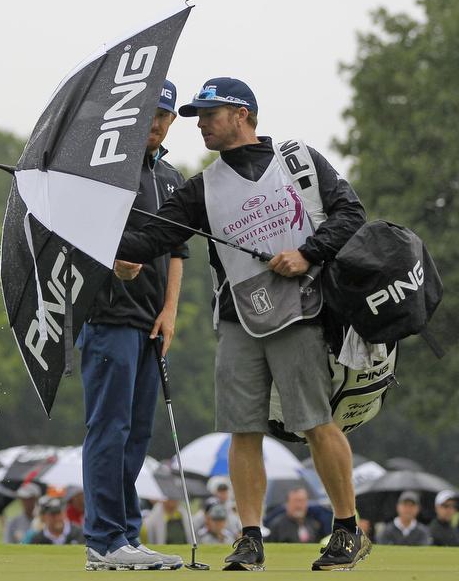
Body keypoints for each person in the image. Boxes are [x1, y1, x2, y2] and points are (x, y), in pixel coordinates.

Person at [116, 78, 370, 572]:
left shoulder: (298, 159)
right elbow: (149, 239)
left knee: (316, 423)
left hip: (302, 310)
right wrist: (93, 230)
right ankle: (250, 538)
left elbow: (351, 214)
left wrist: (307, 253)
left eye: (210, 113)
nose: (201, 124)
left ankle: (346, 529)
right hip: (237, 318)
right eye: (197, 116)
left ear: (242, 113)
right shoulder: (201, 189)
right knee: (242, 428)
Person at [81, 80, 188, 573]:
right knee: (110, 428)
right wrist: (113, 263)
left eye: (165, 115)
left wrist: (170, 311)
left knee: (137, 434)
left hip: (150, 323)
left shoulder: (170, 176)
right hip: (108, 317)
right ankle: (103, 540)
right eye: (150, 113)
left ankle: (125, 534)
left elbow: (178, 250)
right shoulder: (106, 172)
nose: (157, 122)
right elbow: (80, 233)